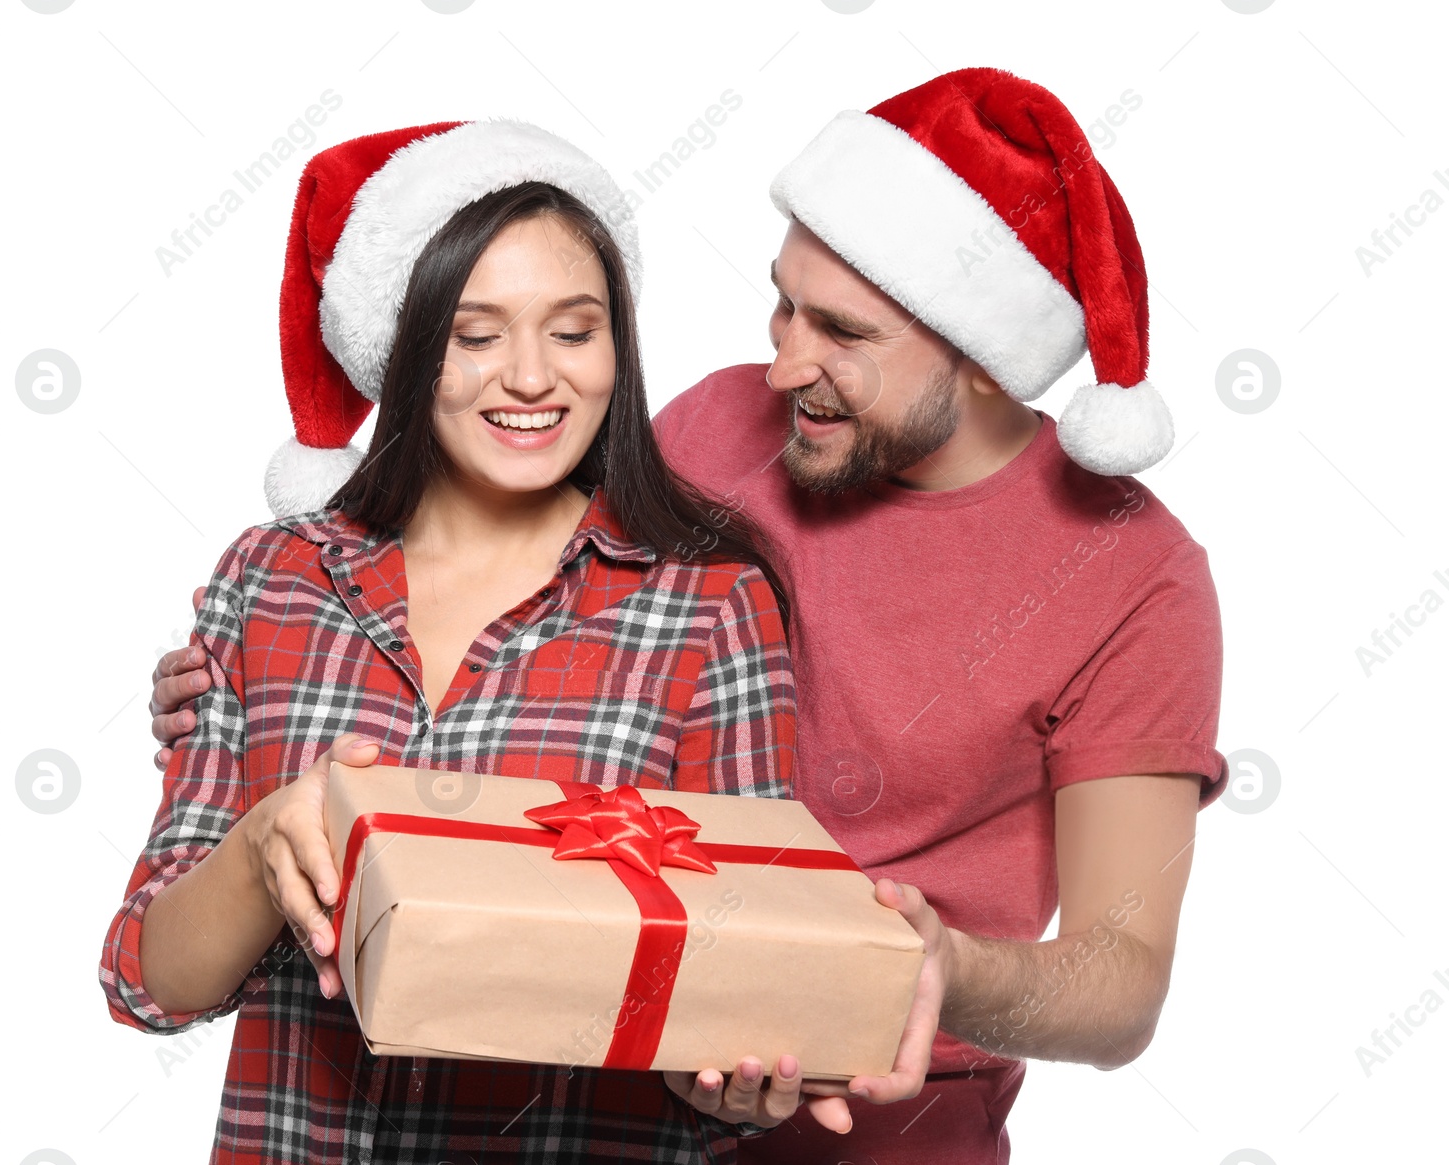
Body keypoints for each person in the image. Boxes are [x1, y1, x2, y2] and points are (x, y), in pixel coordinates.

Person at [152, 68, 1231, 1162]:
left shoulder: (1133, 577)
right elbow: (516, 592)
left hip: (878, 1116)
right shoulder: (717, 425)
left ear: (984, 355)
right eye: (782, 301)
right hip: (578, 1081)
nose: (782, 361)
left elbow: (1122, 980)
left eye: (842, 334)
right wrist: (256, 668)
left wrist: (938, 962)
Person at [101, 120, 811, 1165]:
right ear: (403, 350)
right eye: (474, 336)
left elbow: (748, 968)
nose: (530, 377)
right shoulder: (272, 580)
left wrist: (746, 1082)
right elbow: (144, 981)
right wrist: (266, 843)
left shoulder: (708, 608)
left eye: (573, 331)